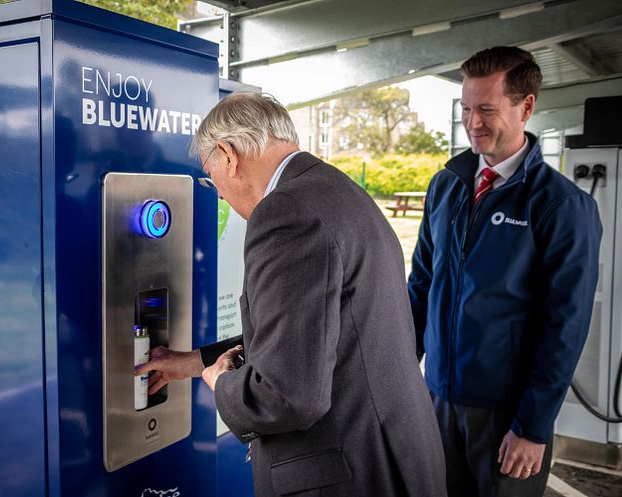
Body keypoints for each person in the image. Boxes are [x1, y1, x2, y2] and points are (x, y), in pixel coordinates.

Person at [136, 92, 446, 497]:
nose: (222, 196)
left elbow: (287, 395)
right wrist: (193, 363)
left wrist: (221, 383)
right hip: (393, 455)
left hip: (347, 472)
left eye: (214, 182)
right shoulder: (337, 190)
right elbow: (311, 334)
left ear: (229, 155)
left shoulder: (285, 212)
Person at [408, 46, 602, 497]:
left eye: (487, 110)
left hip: (507, 414)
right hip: (437, 400)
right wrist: (401, 377)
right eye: (467, 109)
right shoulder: (447, 185)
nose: (473, 123)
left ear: (526, 106)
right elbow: (420, 287)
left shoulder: (562, 206)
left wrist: (533, 427)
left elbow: (565, 327)